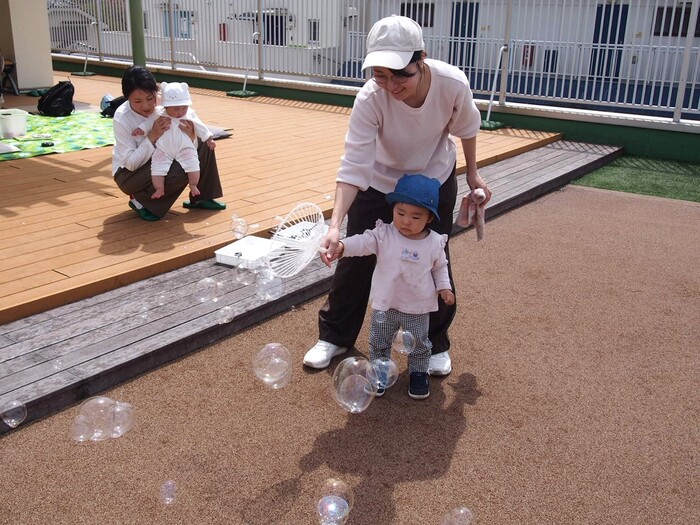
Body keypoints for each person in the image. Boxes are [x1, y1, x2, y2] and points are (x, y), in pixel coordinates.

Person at [303, 15, 491, 375]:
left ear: (422, 58)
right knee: (355, 257)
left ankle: (435, 343)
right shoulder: (370, 98)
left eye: (400, 74)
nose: (390, 85)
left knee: (433, 256)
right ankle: (335, 335)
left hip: (432, 180)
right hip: (379, 181)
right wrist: (335, 225)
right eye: (380, 74)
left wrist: (473, 173)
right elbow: (353, 165)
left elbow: (467, 127)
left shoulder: (452, 83)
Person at [335, 174, 455, 399]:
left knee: (419, 344)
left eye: (415, 216)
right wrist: (343, 246)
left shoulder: (434, 242)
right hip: (386, 303)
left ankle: (418, 373)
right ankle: (379, 373)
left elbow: (440, 267)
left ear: (429, 218)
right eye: (400, 213)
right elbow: (363, 241)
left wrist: (444, 288)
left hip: (417, 307)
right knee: (379, 342)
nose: (406, 221)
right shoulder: (384, 234)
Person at [112, 66, 225, 221]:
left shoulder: (168, 102)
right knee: (180, 167)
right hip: (129, 175)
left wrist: (191, 136)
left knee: (203, 142)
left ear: (156, 91)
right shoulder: (122, 117)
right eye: (137, 101)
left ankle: (202, 197)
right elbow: (130, 164)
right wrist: (152, 137)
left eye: (150, 98)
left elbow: (188, 138)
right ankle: (142, 201)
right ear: (126, 97)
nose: (146, 106)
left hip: (164, 154)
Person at [133, 81, 216, 200]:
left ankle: (193, 184)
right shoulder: (159, 113)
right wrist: (141, 129)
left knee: (193, 164)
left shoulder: (189, 114)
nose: (181, 112)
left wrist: (209, 138)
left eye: (184, 108)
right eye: (176, 109)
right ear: (166, 106)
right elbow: (149, 123)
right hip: (163, 149)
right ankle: (159, 188)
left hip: (184, 147)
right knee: (157, 168)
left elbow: (200, 126)